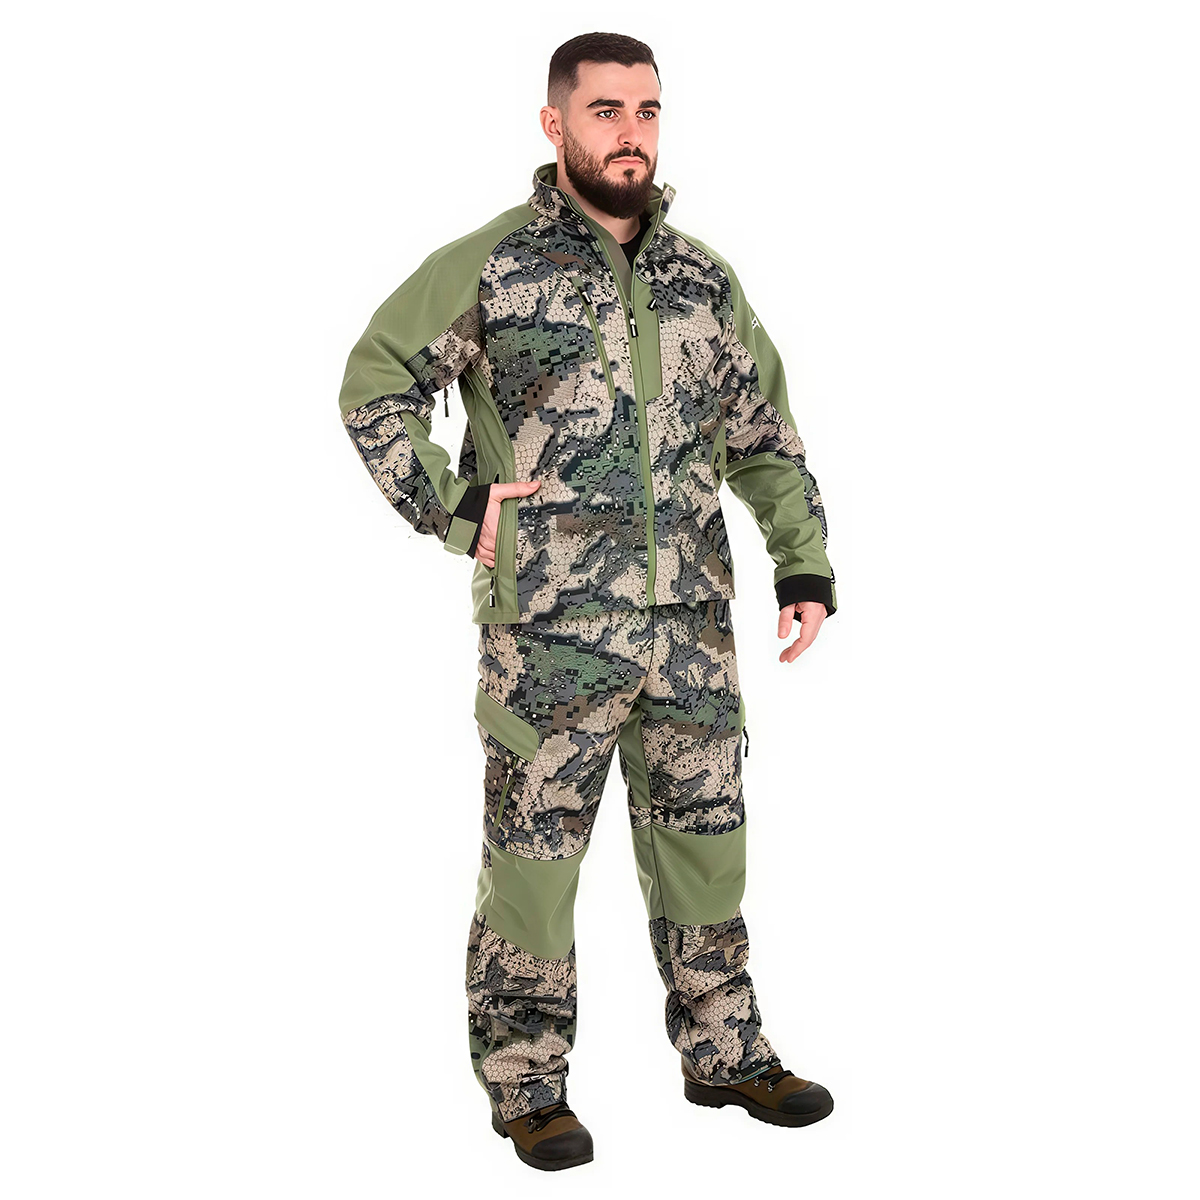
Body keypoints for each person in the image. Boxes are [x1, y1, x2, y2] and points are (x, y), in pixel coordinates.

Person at [337, 31, 838, 1172]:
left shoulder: (702, 278)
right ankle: (527, 1085)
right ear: (555, 123)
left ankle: (725, 1053)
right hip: (548, 642)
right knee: (534, 866)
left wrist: (802, 562)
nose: (631, 134)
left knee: (708, 846)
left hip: (691, 633)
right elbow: (374, 383)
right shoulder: (492, 265)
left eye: (648, 111)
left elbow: (763, 431)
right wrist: (455, 508)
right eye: (606, 110)